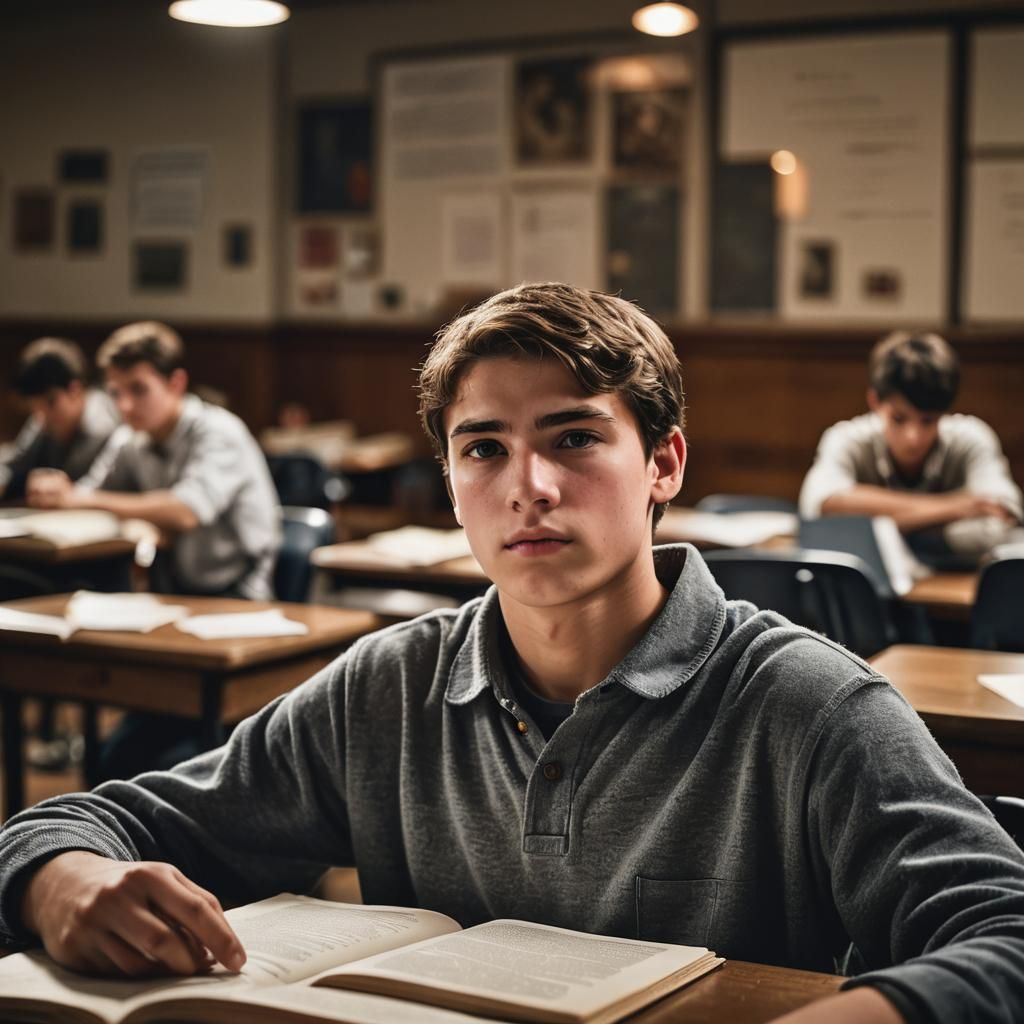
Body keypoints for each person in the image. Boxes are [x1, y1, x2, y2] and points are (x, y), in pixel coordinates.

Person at [1, 285, 1022, 1024]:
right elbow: (98, 817)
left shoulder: (807, 703)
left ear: (663, 460)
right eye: (483, 447)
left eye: (574, 438)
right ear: (449, 481)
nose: (526, 485)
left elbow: (1004, 936)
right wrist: (60, 877)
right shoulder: (385, 688)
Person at [25, 320, 281, 779]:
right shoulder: (131, 440)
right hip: (170, 611)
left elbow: (185, 511)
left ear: (176, 383)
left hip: (237, 608)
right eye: (116, 392)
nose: (125, 405)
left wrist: (90, 500)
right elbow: (85, 505)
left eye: (138, 390)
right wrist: (59, 495)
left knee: (171, 765)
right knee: (113, 758)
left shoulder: (218, 432)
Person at [799, 330, 1022, 565]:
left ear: (945, 412)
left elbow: (1000, 521)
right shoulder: (846, 438)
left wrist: (876, 525)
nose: (913, 437)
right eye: (899, 418)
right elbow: (821, 509)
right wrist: (957, 507)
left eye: (928, 420)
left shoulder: (971, 438)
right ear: (875, 401)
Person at [0, 337, 124, 501]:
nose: (41, 416)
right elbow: (12, 467)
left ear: (75, 390)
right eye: (35, 407)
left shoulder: (104, 427)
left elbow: (98, 489)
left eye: (50, 402)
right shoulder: (42, 417)